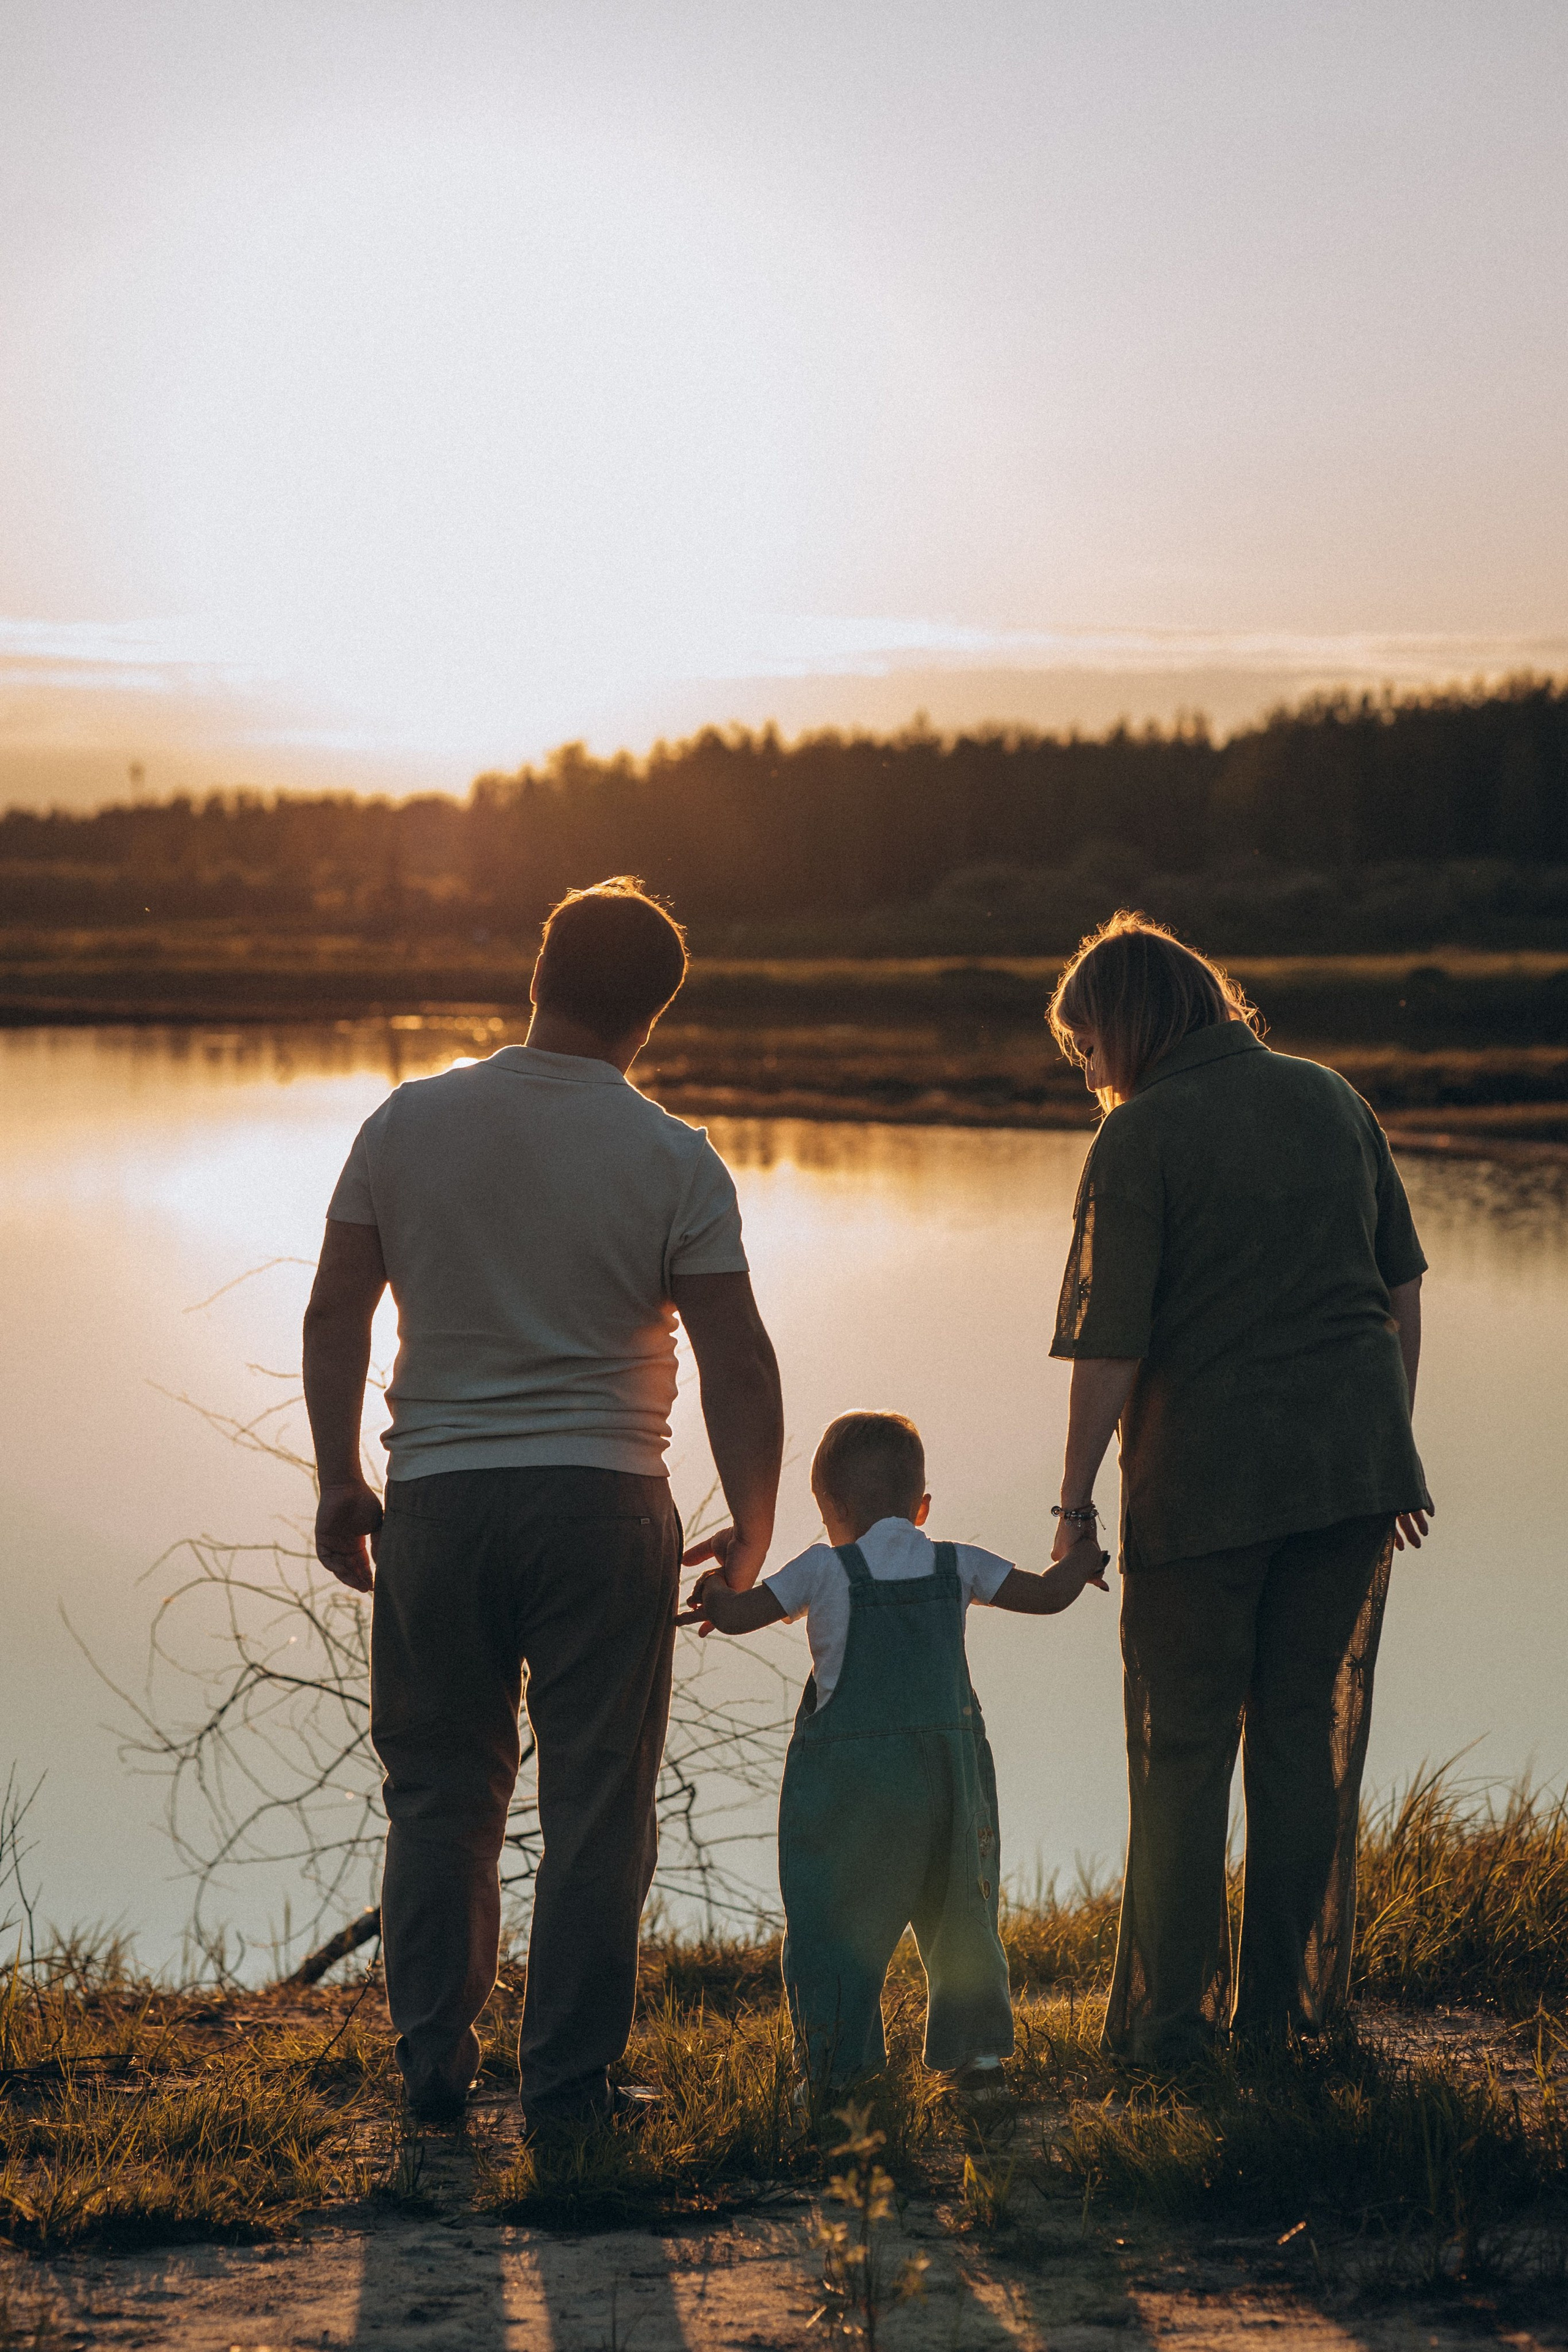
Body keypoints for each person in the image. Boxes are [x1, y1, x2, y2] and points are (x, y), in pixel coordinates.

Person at [301, 877, 784, 2128]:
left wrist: (341, 1478)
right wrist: (754, 1517)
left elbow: (335, 1309)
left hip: (441, 1504)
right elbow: (736, 1356)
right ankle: (567, 2086)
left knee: (441, 1795)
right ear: (652, 1015)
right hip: (604, 1506)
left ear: (538, 973)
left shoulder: (404, 1123)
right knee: (594, 1807)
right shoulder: (672, 1155)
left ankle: (431, 2067)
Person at [1045, 913, 1432, 2064]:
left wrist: (1072, 1504)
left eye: (1086, 1047)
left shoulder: (1142, 1136)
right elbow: (1399, 1293)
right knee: (1305, 1731)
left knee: (1183, 1744)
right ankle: (1284, 2018)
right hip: (1351, 1473)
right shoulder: (1331, 1097)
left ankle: (1173, 2028)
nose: (1089, 1073)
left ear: (1127, 1024)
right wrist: (1389, 1445)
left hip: (1209, 1485)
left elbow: (1107, 1344)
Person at [685, 1410, 1107, 2092]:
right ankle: (977, 2060)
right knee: (960, 1913)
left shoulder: (822, 1568)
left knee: (834, 1916)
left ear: (833, 1508)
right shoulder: (957, 1560)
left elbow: (736, 1616)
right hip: (947, 1777)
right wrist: (1083, 1558)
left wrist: (713, 1591)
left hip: (850, 1781)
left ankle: (838, 2070)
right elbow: (1048, 1594)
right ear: (923, 1507)